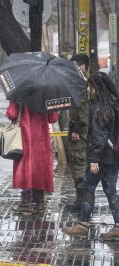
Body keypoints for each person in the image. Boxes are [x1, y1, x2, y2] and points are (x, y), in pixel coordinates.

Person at [62, 72, 119, 240]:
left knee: (88, 187)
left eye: (91, 86)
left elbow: (99, 135)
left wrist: (94, 159)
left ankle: (83, 225)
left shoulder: (99, 106)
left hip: (101, 158)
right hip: (114, 156)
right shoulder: (114, 104)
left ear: (97, 88)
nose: (89, 90)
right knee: (110, 190)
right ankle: (117, 226)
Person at [6, 102, 59, 214]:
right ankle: (40, 203)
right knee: (40, 168)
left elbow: (12, 114)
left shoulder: (20, 92)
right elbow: (53, 118)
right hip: (42, 139)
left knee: (25, 168)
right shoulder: (47, 94)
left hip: (25, 137)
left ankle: (26, 204)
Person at [67, 54, 90, 210]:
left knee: (79, 162)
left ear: (82, 67)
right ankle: (81, 199)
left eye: (75, 66)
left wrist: (76, 130)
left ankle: (82, 201)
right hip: (80, 129)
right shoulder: (81, 82)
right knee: (79, 162)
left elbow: (83, 111)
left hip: (80, 132)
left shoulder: (82, 84)